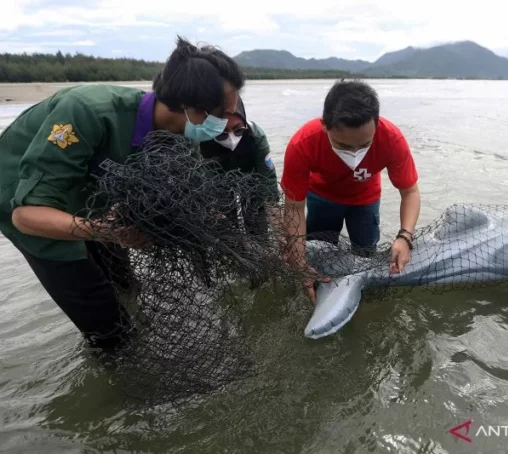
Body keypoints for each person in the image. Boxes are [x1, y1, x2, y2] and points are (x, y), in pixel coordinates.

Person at [0, 36, 245, 350]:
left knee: (126, 285)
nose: (224, 125)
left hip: (95, 202)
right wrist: (107, 231)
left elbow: (188, 195)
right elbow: (26, 215)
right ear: (188, 106)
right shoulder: (89, 111)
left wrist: (212, 224)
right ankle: (117, 360)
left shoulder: (182, 134)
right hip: (27, 204)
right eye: (221, 115)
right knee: (102, 316)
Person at [280, 79, 421, 304]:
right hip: (322, 196)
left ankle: (363, 301)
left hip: (365, 199)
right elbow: (294, 207)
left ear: (377, 124)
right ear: (325, 125)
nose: (355, 154)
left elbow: (410, 192)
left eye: (365, 144)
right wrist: (299, 262)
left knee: (366, 257)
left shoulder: (391, 139)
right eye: (344, 146)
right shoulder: (303, 143)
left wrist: (405, 236)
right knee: (316, 256)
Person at [199, 95, 280, 288]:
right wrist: (213, 212)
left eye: (238, 130)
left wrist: (280, 232)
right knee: (226, 232)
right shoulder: (201, 141)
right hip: (217, 181)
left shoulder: (255, 136)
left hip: (249, 180)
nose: (232, 139)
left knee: (257, 226)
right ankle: (235, 271)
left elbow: (268, 184)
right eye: (221, 133)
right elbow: (203, 186)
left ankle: (261, 276)